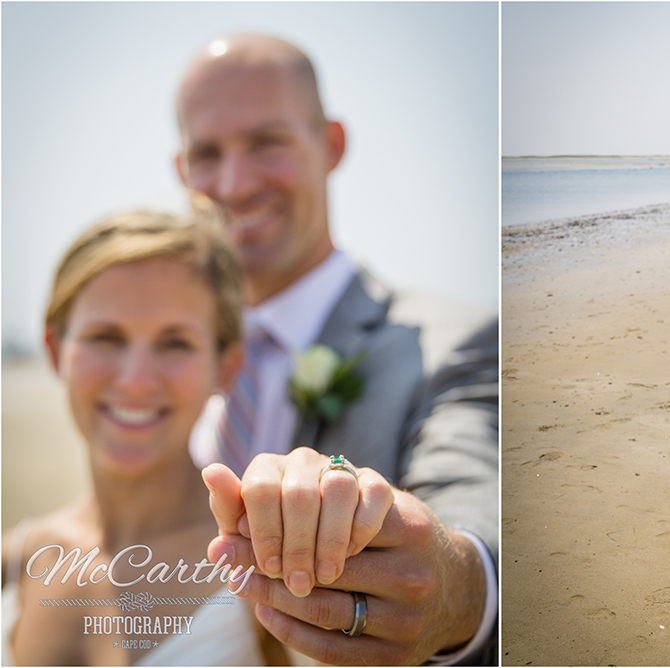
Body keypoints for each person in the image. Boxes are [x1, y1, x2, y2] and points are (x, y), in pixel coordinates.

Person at [174, 34, 499, 664]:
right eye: (207, 153)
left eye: (267, 142)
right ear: (183, 172)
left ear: (331, 145)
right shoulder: (158, 368)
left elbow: (469, 514)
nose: (235, 184)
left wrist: (457, 587)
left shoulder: (453, 341)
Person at [0, 200, 393, 665]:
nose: (135, 379)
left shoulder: (262, 561)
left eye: (175, 343)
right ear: (54, 349)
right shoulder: (16, 559)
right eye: (105, 337)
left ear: (226, 367)